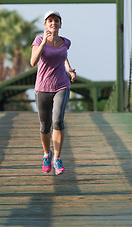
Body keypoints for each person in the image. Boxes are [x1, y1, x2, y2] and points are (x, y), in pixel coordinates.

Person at [30, 10, 76, 175]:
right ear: (45, 24)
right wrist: (43, 42)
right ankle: (46, 154)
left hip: (61, 85)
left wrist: (69, 69)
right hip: (42, 87)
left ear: (60, 24)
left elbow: (62, 56)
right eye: (50, 21)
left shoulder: (65, 42)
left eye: (56, 21)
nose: (53, 23)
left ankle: (57, 158)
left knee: (58, 121)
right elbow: (33, 62)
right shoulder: (38, 40)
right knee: (45, 125)